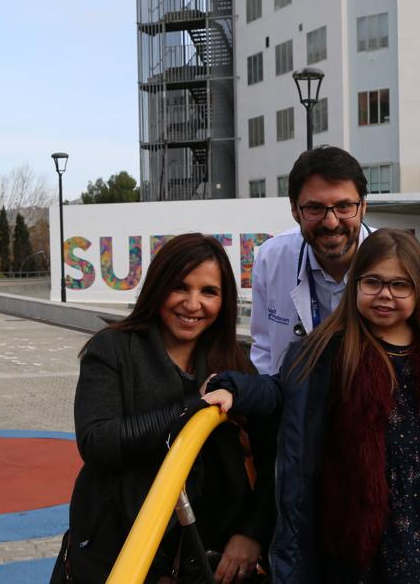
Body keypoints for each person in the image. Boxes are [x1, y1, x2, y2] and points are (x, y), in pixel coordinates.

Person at [205, 228, 420, 583]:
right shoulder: (328, 351)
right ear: (355, 285)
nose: (385, 295)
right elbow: (281, 393)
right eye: (372, 282)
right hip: (352, 526)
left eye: (400, 285)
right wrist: (233, 389)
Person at [54, 233, 272, 584]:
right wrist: (193, 408)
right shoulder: (112, 349)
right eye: (180, 287)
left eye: (209, 292)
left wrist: (251, 532)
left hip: (207, 559)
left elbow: (269, 458)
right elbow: (97, 441)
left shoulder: (236, 364)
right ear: (157, 287)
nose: (192, 304)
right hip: (118, 551)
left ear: (225, 299)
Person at [249, 146, 420, 413]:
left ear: (363, 206)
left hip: (380, 418)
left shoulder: (408, 264)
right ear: (295, 210)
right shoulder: (272, 258)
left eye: (344, 206)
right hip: (297, 417)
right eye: (315, 208)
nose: (331, 222)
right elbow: (264, 349)